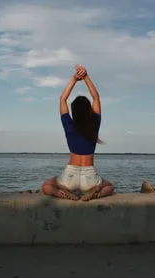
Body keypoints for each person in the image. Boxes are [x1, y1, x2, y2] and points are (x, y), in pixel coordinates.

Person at [41, 65, 114, 201]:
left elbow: (62, 99)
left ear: (73, 112)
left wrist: (75, 79)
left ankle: (62, 192)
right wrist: (85, 77)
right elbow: (96, 98)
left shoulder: (69, 124)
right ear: (89, 111)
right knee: (109, 187)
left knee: (46, 186)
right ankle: (95, 192)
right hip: (89, 177)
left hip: (70, 176)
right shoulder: (94, 123)